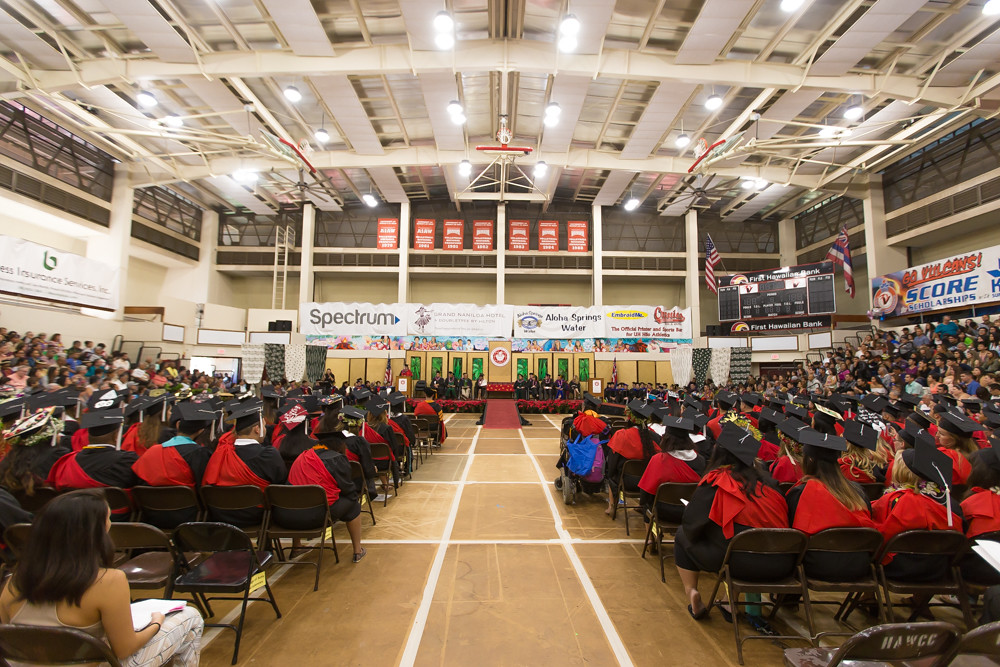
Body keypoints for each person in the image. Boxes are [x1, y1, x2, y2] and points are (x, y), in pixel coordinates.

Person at [0, 490, 204, 666]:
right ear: (93, 532)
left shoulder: (14, 580)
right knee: (190, 616)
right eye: (108, 519)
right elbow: (125, 649)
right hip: (89, 661)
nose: (110, 525)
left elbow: (9, 636)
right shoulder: (108, 580)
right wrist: (156, 623)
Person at [676, 423, 790, 620]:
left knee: (684, 536)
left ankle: (691, 591)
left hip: (739, 564)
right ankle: (728, 601)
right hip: (781, 564)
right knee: (736, 539)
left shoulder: (717, 482)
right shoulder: (769, 484)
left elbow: (691, 523)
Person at [786, 430, 876, 580]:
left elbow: (792, 534)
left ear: (809, 461)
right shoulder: (858, 492)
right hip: (858, 564)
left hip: (817, 565)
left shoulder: (801, 493)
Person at [873, 442, 963, 583]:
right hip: (938, 570)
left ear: (902, 471)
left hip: (898, 569)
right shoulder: (951, 505)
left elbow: (881, 537)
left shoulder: (896, 501)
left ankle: (870, 594)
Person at [284, 429, 367, 563]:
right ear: (340, 445)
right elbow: (347, 489)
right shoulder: (336, 458)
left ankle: (297, 546)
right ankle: (358, 551)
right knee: (353, 505)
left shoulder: (303, 456)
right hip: (316, 516)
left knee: (299, 496)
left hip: (288, 515)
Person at [202, 401, 287, 526]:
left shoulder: (220, 453)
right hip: (254, 516)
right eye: (264, 426)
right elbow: (280, 483)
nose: (265, 429)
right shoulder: (268, 455)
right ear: (257, 429)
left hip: (220, 514)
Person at [46, 410, 138, 515]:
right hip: (117, 518)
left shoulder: (67, 462)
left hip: (74, 516)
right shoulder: (127, 460)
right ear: (116, 436)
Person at [637, 416, 705, 523]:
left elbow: (645, 492)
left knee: (647, 505)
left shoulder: (659, 459)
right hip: (690, 511)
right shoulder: (700, 460)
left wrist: (643, 502)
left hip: (663, 511)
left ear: (666, 438)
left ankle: (650, 533)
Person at [604, 400, 660, 516]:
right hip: (648, 482)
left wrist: (610, 474)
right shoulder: (654, 437)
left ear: (630, 418)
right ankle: (642, 505)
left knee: (612, 474)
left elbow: (612, 462)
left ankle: (611, 506)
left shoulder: (622, 435)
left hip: (626, 482)